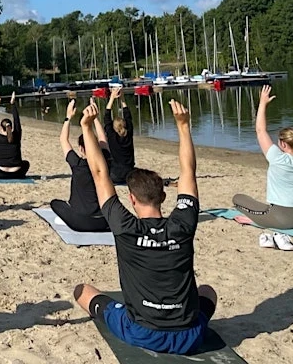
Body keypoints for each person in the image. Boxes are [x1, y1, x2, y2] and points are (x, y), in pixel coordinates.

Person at [72, 100, 218, 355]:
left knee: (82, 291)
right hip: (189, 336)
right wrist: (183, 127)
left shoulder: (125, 227)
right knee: (208, 292)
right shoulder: (182, 224)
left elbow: (99, 173)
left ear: (131, 198)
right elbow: (188, 172)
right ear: (163, 197)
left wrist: (87, 127)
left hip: (142, 332)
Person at [233, 83, 293, 238]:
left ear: (283, 144)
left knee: (238, 199)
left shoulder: (278, 158)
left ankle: (255, 220)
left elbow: (260, 130)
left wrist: (262, 103)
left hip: (282, 219)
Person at [51, 99, 111, 232]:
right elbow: (102, 138)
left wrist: (68, 116)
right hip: (102, 221)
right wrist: (94, 118)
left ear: (81, 149)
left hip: (81, 222)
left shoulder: (78, 164)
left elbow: (63, 139)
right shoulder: (106, 160)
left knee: (55, 204)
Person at [0, 91, 30, 179]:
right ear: (11, 127)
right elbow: (17, 120)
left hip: (0, 174)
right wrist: (13, 104)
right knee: (26, 163)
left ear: (1, 128)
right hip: (17, 173)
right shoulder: (16, 135)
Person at [104, 88, 135, 185]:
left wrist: (112, 98)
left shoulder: (112, 136)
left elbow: (107, 118)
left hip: (115, 175)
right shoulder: (128, 134)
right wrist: (122, 99)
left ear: (114, 128)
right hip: (129, 174)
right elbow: (128, 116)